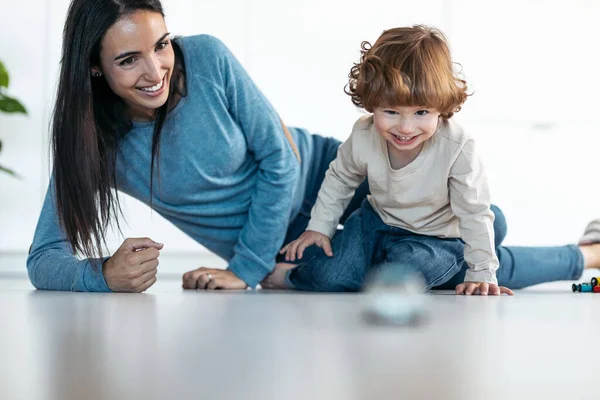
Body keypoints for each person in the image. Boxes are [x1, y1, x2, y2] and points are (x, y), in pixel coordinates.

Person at [26, 0, 600, 293]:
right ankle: (588, 255)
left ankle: (568, 251)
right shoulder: (93, 145)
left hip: (338, 182)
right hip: (281, 243)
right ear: (95, 70)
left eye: (161, 44)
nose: (156, 71)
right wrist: (101, 275)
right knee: (445, 275)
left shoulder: (206, 57)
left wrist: (247, 270)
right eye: (128, 60)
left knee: (451, 256)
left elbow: (281, 158)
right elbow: (43, 259)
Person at [264, 26, 600, 295]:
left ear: (442, 105)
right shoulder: (364, 135)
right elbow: (340, 177)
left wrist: (481, 271)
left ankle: (470, 250)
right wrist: (320, 227)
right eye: (391, 111)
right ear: (370, 104)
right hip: (376, 222)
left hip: (437, 235)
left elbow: (472, 211)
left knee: (409, 273)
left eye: (421, 112)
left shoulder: (457, 146)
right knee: (328, 276)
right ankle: (304, 276)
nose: (405, 128)